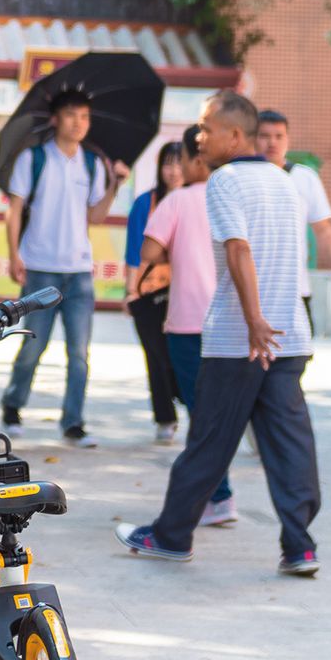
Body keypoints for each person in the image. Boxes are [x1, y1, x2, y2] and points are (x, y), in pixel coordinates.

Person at [116, 91, 321, 576]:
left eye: (206, 128)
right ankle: (301, 547)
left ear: (234, 136)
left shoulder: (225, 180)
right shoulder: (286, 181)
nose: (199, 137)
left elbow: (239, 250)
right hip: (289, 337)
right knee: (290, 446)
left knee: (209, 441)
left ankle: (170, 536)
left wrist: (252, 319)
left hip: (240, 340)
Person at [1, 89, 130, 447]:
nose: (79, 123)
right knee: (33, 347)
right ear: (56, 119)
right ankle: (13, 405)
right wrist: (14, 255)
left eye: (85, 117)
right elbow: (14, 209)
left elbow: (95, 216)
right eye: (72, 115)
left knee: (79, 353)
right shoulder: (34, 158)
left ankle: (73, 421)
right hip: (40, 266)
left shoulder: (92, 163)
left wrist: (116, 184)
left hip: (79, 271)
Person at [141, 126, 235, 526]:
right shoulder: (232, 198)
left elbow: (149, 250)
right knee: (214, 409)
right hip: (229, 321)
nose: (176, 167)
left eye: (180, 158)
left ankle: (218, 496)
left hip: (186, 322)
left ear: (196, 160)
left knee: (200, 411)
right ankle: (218, 495)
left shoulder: (177, 200)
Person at [255, 109, 331, 329]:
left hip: (295, 289)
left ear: (288, 139)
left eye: (279, 136)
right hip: (254, 290)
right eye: (265, 135)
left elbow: (323, 228)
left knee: (296, 359)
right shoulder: (244, 176)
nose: (272, 142)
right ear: (254, 138)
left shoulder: (305, 177)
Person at [123, 140, 184, 442]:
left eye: (179, 163)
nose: (173, 171)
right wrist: (130, 291)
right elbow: (134, 250)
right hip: (149, 292)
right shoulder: (145, 203)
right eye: (167, 164)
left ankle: (185, 400)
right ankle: (164, 417)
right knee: (156, 355)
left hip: (188, 290)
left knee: (181, 354)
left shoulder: (196, 200)